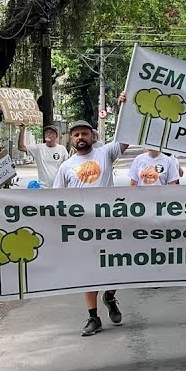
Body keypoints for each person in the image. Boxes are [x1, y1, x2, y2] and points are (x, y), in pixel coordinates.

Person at [53, 94, 129, 337]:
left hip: (111, 224)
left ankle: (110, 296)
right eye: (76, 134)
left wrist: (124, 106)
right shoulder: (66, 167)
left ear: (92, 136)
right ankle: (93, 317)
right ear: (71, 139)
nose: (80, 137)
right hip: (83, 229)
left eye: (84, 133)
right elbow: (55, 199)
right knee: (88, 271)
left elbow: (127, 136)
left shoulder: (105, 153)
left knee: (121, 266)